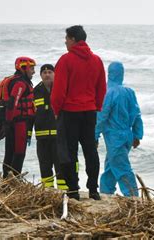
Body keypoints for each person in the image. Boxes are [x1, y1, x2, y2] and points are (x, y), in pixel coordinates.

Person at [52, 25, 107, 200]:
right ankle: (93, 189)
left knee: (69, 151)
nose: (65, 42)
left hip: (69, 111)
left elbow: (59, 90)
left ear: (74, 40)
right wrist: (96, 106)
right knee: (90, 150)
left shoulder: (66, 60)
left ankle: (73, 190)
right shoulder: (97, 60)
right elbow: (101, 88)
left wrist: (56, 109)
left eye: (67, 38)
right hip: (89, 111)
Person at [95, 62, 143, 197]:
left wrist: (95, 135)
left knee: (122, 168)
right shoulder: (129, 92)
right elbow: (137, 114)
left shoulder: (107, 92)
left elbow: (102, 116)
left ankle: (132, 196)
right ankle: (106, 192)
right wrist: (137, 134)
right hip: (127, 134)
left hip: (114, 136)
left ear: (109, 73)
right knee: (111, 166)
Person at [0, 57, 36, 178]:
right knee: (19, 152)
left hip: (12, 123)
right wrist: (9, 122)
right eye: (31, 68)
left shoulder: (17, 81)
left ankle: (7, 179)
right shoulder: (20, 83)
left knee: (10, 152)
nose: (33, 72)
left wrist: (7, 123)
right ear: (23, 68)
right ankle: (13, 179)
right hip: (18, 123)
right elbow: (13, 103)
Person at [33, 64, 67, 190]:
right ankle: (48, 191)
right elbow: (31, 114)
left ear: (55, 74)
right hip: (42, 138)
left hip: (59, 136)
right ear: (41, 75)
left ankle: (64, 191)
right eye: (44, 72)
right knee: (44, 165)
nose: (47, 74)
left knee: (61, 165)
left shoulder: (61, 89)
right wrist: (28, 133)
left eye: (50, 72)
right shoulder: (35, 91)